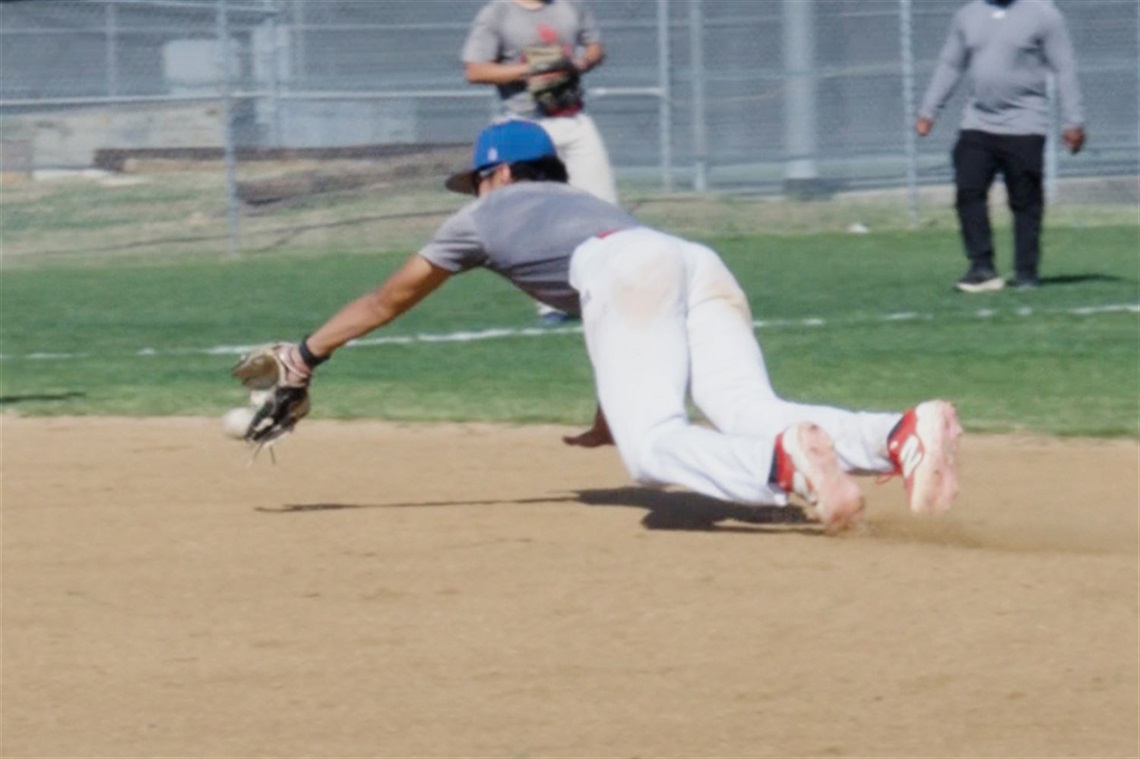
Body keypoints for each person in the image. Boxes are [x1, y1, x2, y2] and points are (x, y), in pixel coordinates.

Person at [263, 121, 963, 534]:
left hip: (631, 268)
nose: (474, 192)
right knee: (750, 409)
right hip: (693, 261)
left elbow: (388, 298)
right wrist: (609, 411)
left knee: (652, 453)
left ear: (500, 173)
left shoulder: (483, 215)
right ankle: (898, 435)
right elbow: (624, 316)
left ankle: (783, 466)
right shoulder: (580, 201)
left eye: (477, 179)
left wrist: (307, 353)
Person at [461, 0, 618, 324]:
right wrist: (530, 70)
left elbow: (595, 48)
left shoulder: (569, 7)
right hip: (527, 126)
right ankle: (552, 304)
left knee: (605, 212)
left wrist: (579, 63)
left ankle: (609, 293)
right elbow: (475, 69)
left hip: (573, 119)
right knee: (538, 218)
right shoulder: (498, 13)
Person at [916, 0, 1085, 293]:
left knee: (1025, 202)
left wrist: (1074, 120)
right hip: (978, 122)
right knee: (968, 191)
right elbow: (951, 64)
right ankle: (982, 268)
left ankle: (1026, 273)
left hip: (1025, 125)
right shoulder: (967, 15)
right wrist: (929, 110)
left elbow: (1065, 67)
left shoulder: (1044, 15)